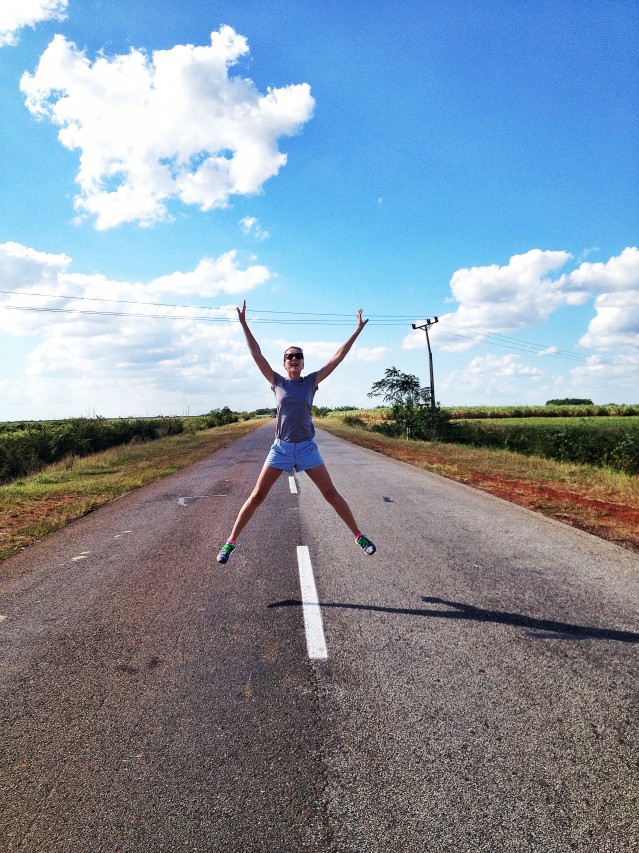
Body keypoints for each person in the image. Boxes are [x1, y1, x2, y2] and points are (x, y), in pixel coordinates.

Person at [217, 300, 376, 564]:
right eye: (289, 356)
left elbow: (337, 357)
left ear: (302, 363)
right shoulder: (276, 381)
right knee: (257, 496)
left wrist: (357, 331)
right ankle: (230, 542)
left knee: (330, 493)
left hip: (306, 448)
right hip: (281, 447)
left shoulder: (312, 381)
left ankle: (359, 536)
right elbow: (256, 354)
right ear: (284, 363)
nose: (294, 359)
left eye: (298, 356)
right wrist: (244, 323)